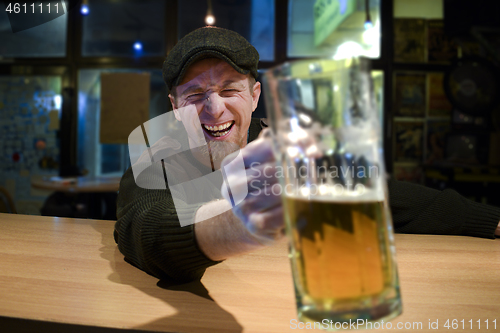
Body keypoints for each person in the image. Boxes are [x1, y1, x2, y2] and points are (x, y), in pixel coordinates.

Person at [114, 26, 500, 283]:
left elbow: (387, 196)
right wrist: (236, 226)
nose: (213, 110)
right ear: (174, 105)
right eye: (195, 95)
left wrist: (491, 221)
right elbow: (142, 228)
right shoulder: (159, 155)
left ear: (255, 95)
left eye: (229, 90)